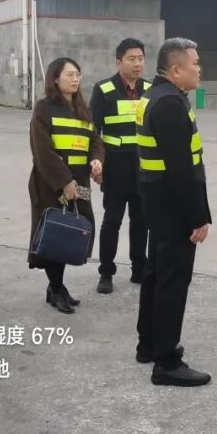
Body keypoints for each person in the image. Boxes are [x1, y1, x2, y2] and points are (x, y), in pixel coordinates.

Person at [135, 37, 212, 387]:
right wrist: (198, 218)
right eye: (195, 63)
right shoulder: (169, 103)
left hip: (158, 204)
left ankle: (148, 344)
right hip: (173, 208)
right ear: (176, 70)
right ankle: (166, 361)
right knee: (172, 283)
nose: (199, 69)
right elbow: (182, 170)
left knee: (156, 276)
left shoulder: (155, 95)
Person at [28, 57, 104, 314]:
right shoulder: (44, 109)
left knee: (76, 231)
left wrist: (97, 160)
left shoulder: (83, 109)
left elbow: (95, 140)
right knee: (55, 233)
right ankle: (57, 287)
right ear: (55, 79)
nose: (75, 79)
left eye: (77, 74)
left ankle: (56, 287)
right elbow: (42, 151)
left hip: (80, 183)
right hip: (51, 184)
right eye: (69, 74)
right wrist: (64, 182)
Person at [90, 38, 151, 294]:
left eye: (140, 59)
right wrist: (97, 163)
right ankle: (106, 272)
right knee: (112, 221)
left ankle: (139, 268)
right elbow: (93, 131)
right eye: (131, 59)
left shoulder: (150, 89)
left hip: (144, 169)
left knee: (141, 221)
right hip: (115, 169)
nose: (137, 64)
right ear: (119, 62)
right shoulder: (104, 89)